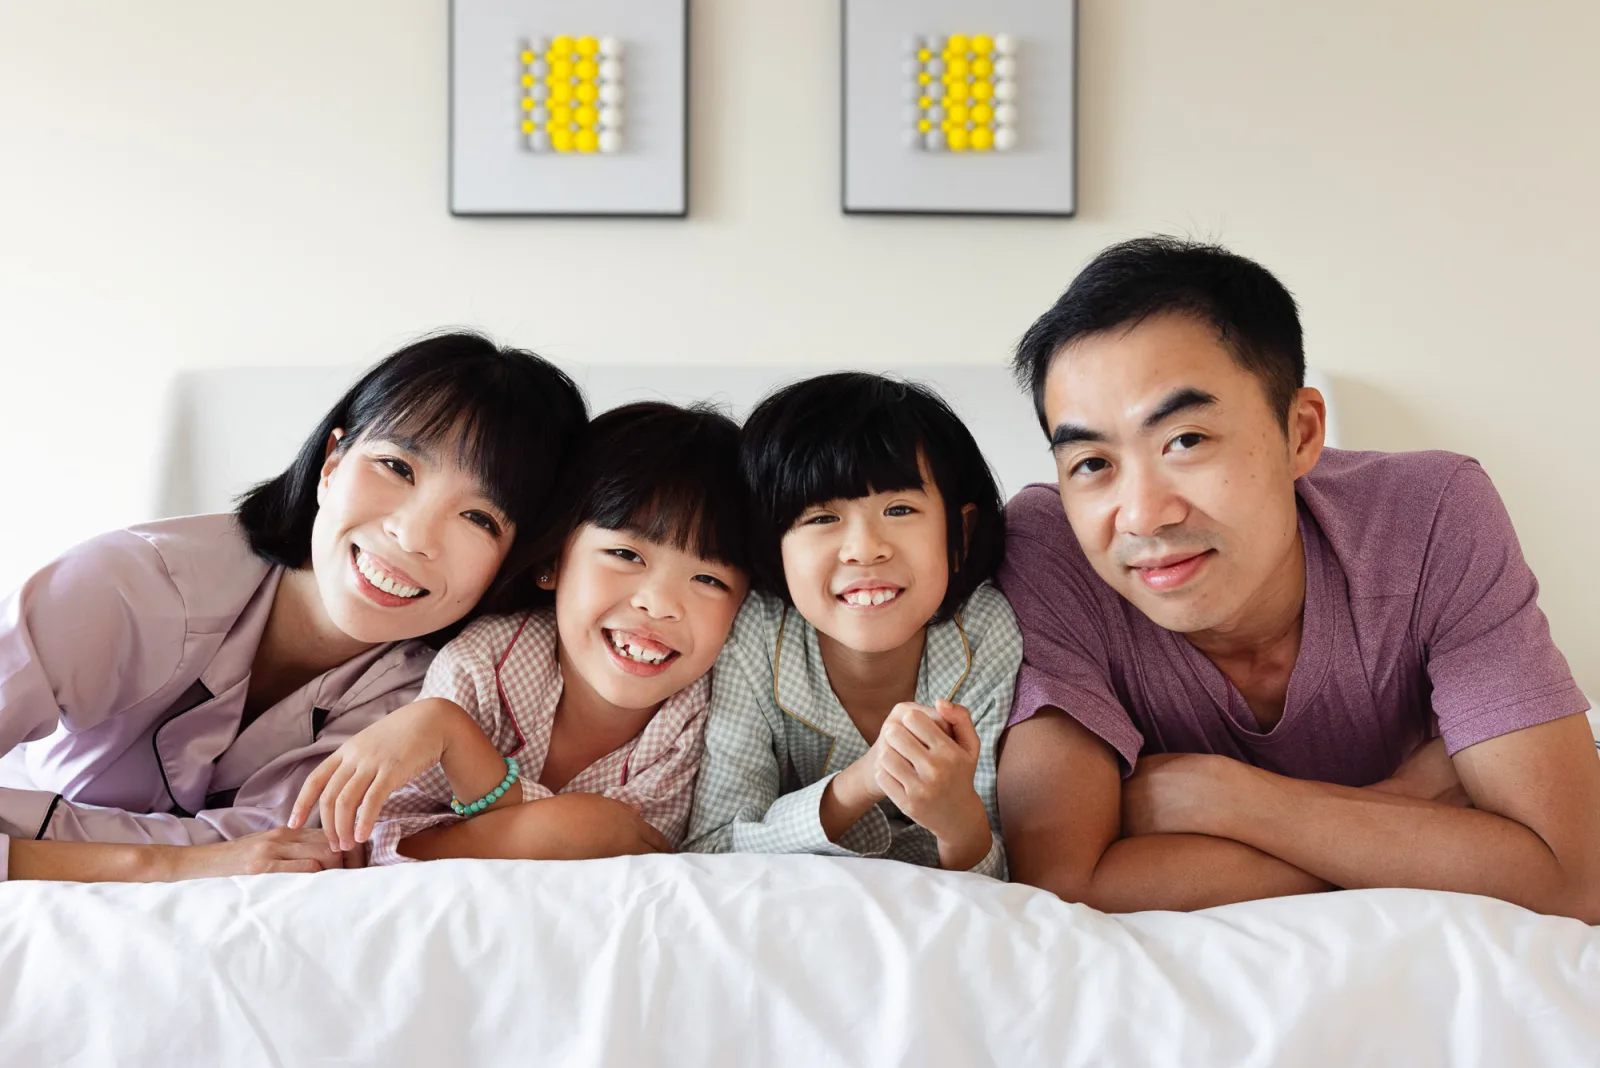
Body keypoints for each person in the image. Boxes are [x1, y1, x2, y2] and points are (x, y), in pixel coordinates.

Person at [996, 236, 1600, 918]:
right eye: (1092, 464)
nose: (1140, 516)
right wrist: (1402, 815)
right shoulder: (1048, 549)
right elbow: (1067, 882)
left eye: (1185, 441)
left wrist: (1227, 799)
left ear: (1302, 432)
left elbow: (1570, 877)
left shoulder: (1430, 514)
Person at [0, 332, 586, 882]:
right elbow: (234, 857)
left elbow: (286, 851)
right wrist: (158, 864)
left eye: (479, 518)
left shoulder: (435, 697)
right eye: (397, 467)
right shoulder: (125, 587)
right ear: (332, 464)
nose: (413, 535)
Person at [290, 402, 750, 864]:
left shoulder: (704, 715)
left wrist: (529, 823)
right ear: (553, 561)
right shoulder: (480, 666)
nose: (661, 603)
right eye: (626, 554)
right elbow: (370, 852)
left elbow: (643, 854)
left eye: (710, 581)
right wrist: (530, 823)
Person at [684, 373, 1018, 877]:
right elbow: (710, 853)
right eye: (821, 518)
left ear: (961, 534)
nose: (865, 548)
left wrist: (959, 823)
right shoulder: (754, 635)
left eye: (899, 508)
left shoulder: (989, 632)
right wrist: (862, 782)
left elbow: (1018, 879)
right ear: (772, 544)